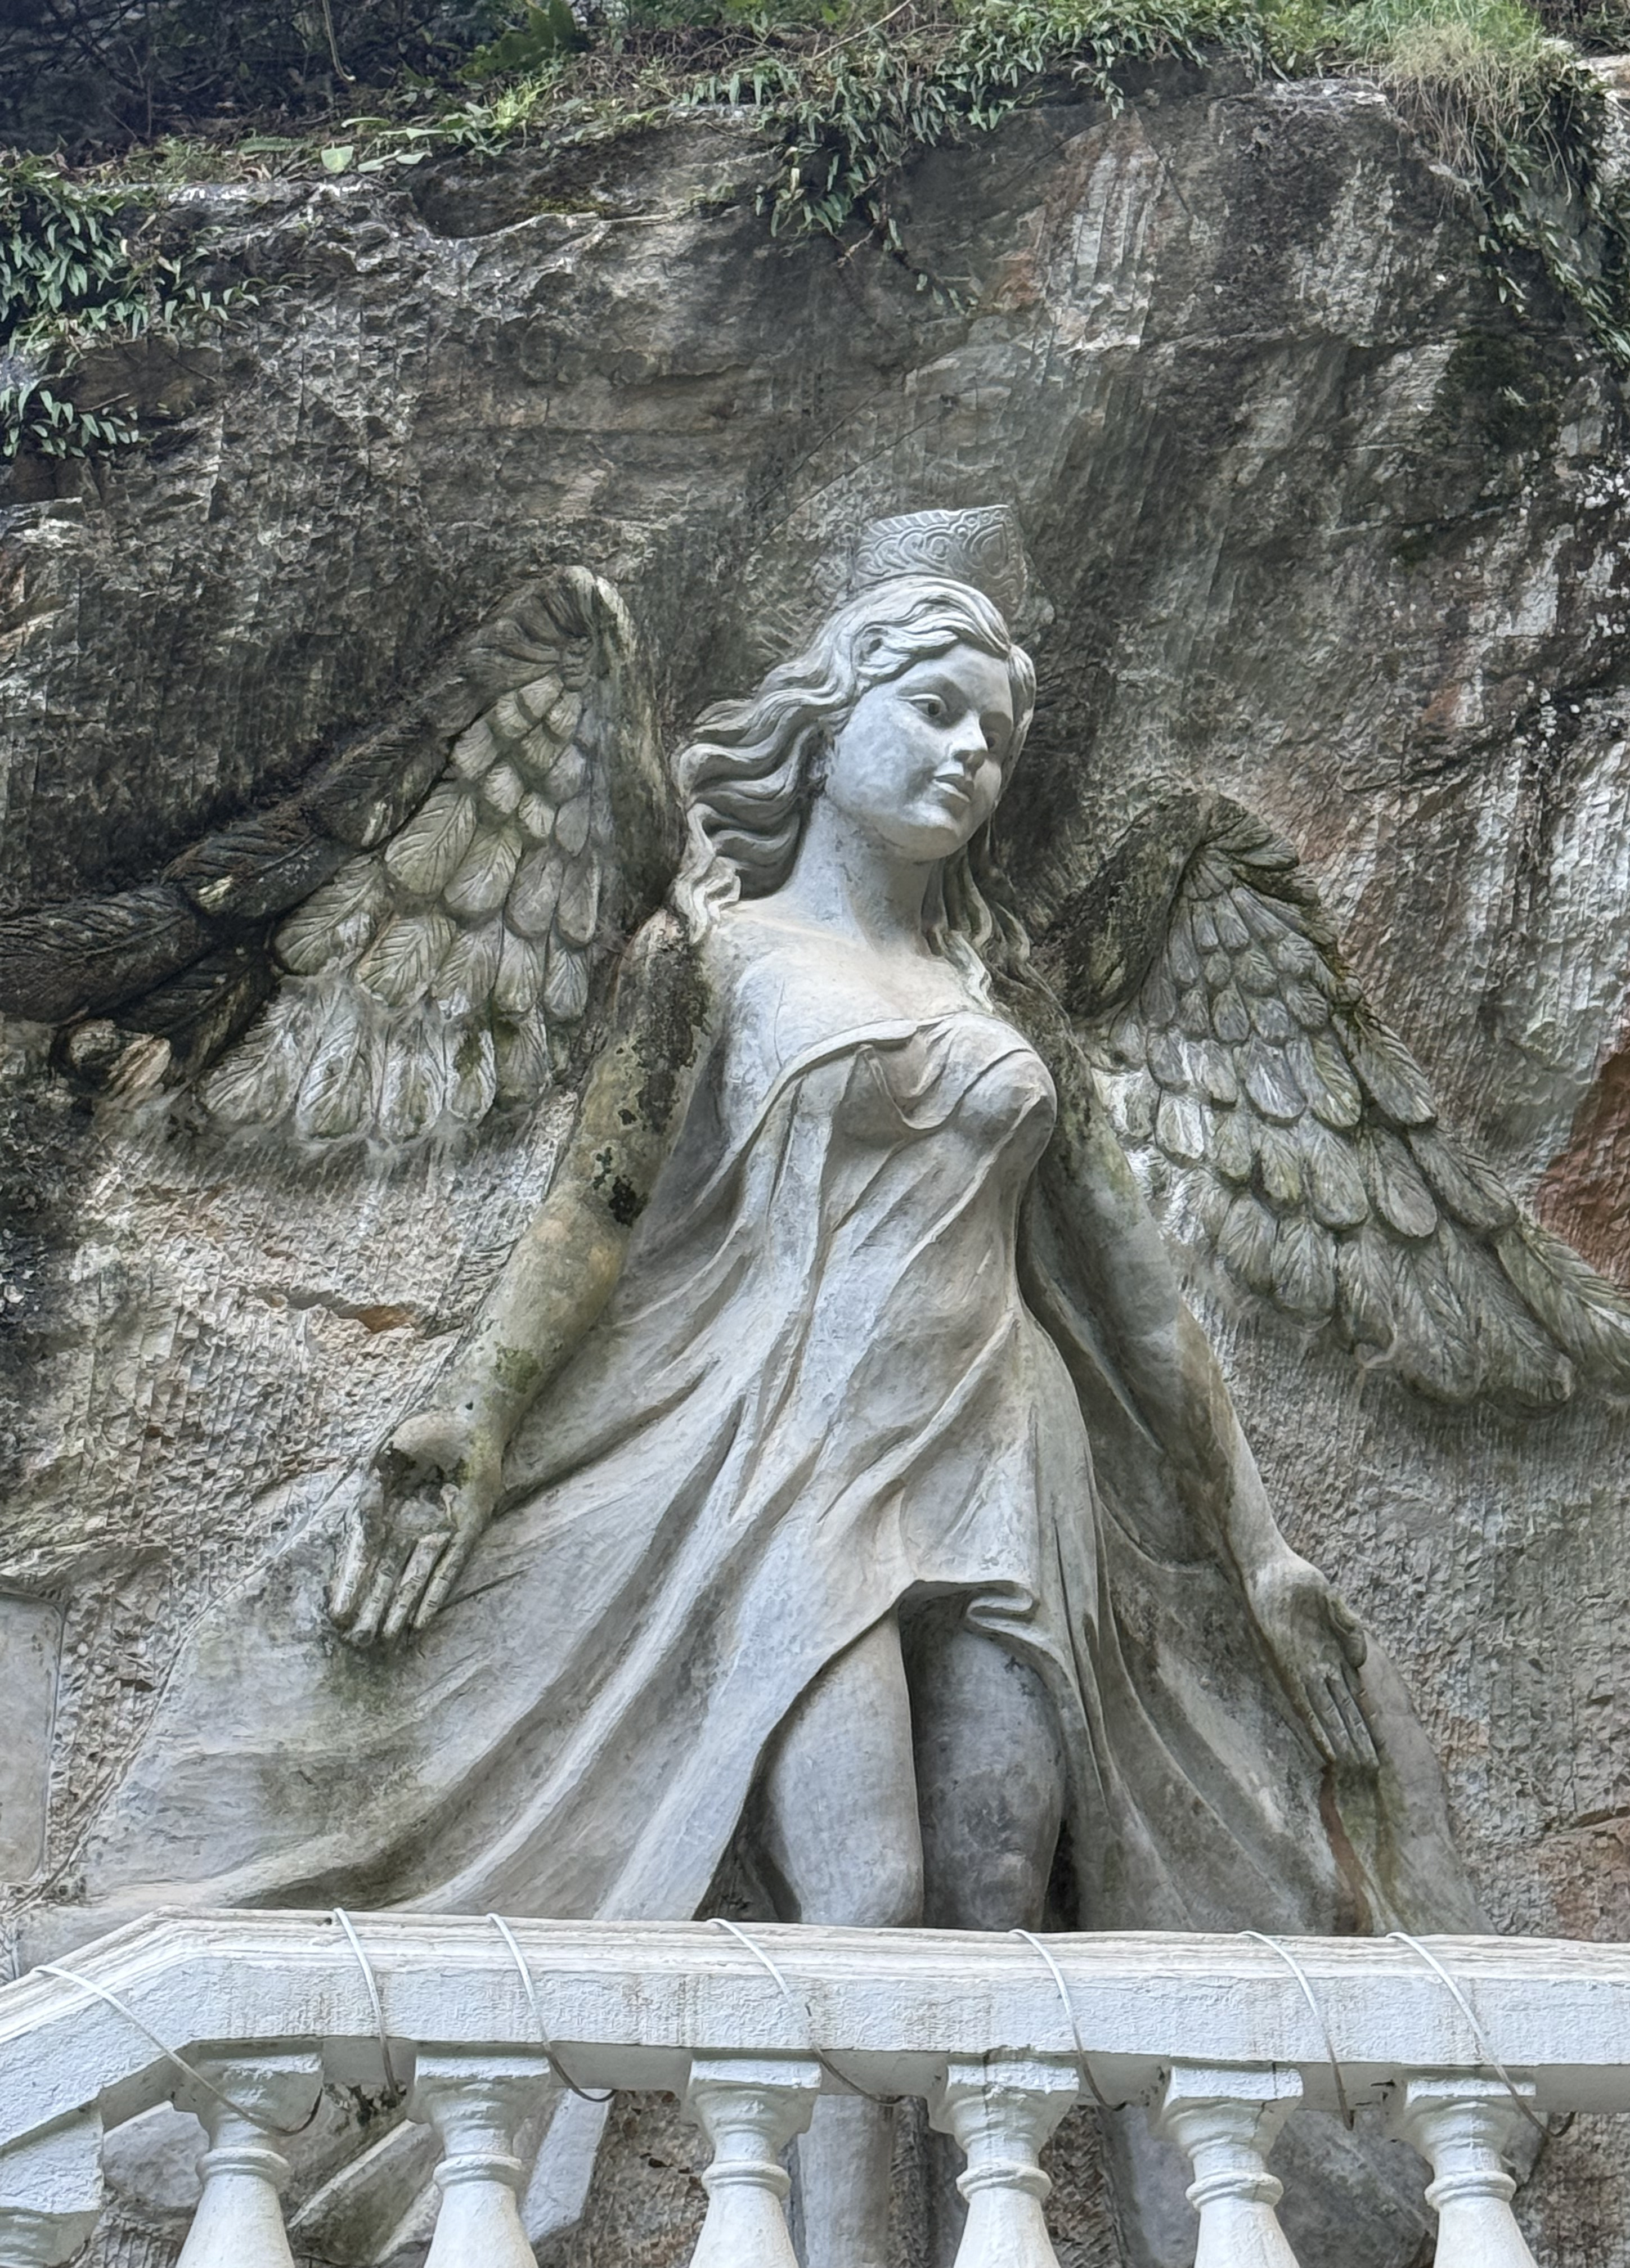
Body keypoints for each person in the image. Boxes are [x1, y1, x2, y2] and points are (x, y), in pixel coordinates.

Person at [41, 551, 1477, 2264]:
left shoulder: (1007, 1004)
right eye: (933, 710)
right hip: (793, 1451)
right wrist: (477, 1420)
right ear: (831, 716)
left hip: (1011, 1460)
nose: (970, 756)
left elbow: (1141, 1295)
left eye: (997, 737)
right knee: (859, 1905)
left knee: (998, 1906)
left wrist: (1264, 1553)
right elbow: (593, 1212)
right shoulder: (712, 956)